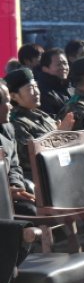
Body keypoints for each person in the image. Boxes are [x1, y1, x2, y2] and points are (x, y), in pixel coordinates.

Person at [5, 67, 75, 180]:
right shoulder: (17, 124)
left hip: (63, 170)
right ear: (14, 96)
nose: (36, 92)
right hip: (46, 179)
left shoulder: (42, 115)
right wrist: (59, 135)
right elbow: (33, 158)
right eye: (30, 88)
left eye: (36, 87)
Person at [0, 79, 38, 216]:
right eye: (6, 102)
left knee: (37, 205)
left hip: (8, 194)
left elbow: (14, 164)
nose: (10, 107)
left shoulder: (7, 129)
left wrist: (16, 186)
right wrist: (5, 191)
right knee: (30, 212)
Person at [35, 48, 70, 117]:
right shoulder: (42, 91)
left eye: (65, 63)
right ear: (45, 69)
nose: (63, 67)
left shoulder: (70, 86)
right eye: (59, 64)